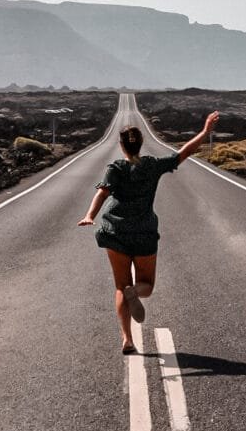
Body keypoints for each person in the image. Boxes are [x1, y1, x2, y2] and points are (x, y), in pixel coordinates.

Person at [78, 111, 220, 353]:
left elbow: (102, 193)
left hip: (116, 231)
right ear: (141, 144)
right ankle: (135, 292)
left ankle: (127, 339)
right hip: (144, 233)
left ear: (121, 146)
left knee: (120, 286)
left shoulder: (116, 168)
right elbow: (181, 154)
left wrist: (90, 215)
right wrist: (205, 132)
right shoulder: (152, 166)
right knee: (147, 286)